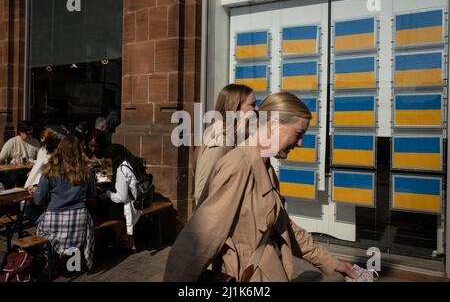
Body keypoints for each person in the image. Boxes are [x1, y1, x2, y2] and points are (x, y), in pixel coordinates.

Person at [164, 92, 356, 282]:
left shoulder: (266, 168)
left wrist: (330, 262)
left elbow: (284, 226)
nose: (300, 143)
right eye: (298, 133)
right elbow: (200, 238)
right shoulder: (238, 165)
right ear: (273, 124)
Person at [33, 135, 96, 270]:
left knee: (37, 220)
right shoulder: (86, 171)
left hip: (55, 221)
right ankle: (71, 263)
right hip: (79, 220)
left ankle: (52, 258)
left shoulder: (50, 170)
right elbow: (92, 195)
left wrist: (35, 191)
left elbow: (38, 199)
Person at [194, 84, 256, 206]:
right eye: (251, 104)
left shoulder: (233, 138)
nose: (256, 109)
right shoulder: (220, 142)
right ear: (234, 108)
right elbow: (201, 193)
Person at [98, 144, 148, 251]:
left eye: (109, 161)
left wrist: (107, 194)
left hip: (132, 206)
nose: (109, 164)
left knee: (102, 209)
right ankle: (125, 239)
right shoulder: (132, 162)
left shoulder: (122, 169)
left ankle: (123, 240)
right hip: (141, 201)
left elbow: (122, 198)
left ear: (115, 157)